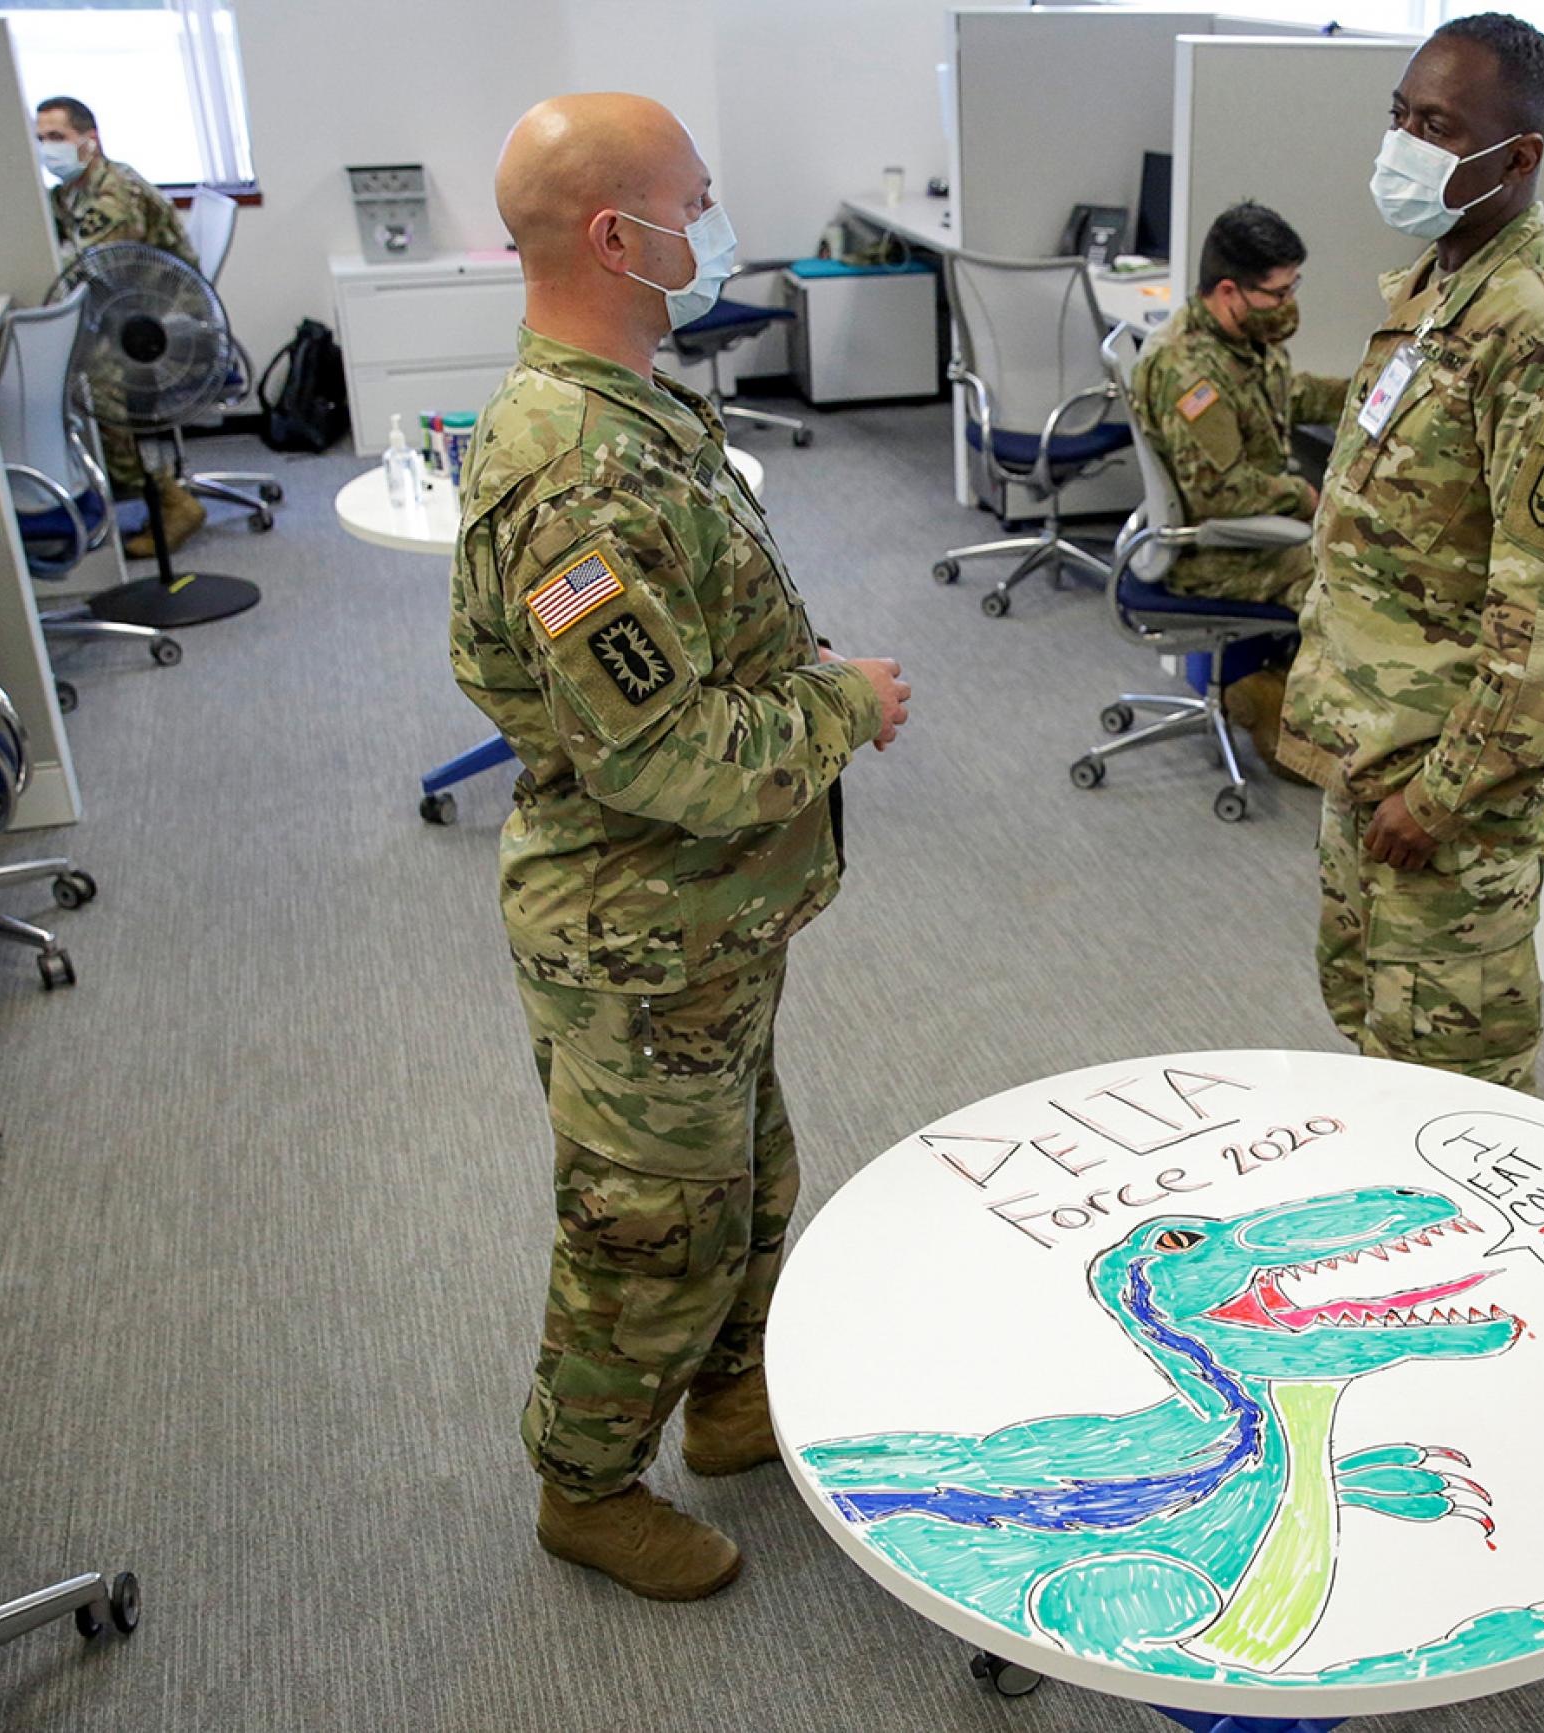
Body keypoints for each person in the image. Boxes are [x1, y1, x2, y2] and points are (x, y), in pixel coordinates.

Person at [450, 92, 911, 1603]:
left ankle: (730, 1401)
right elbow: (662, 751)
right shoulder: (570, 466)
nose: (716, 231)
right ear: (615, 235)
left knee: (747, 1182)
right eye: (698, 204)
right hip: (634, 926)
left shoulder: (629, 403)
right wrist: (842, 706)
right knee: (647, 1229)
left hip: (707, 923)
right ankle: (583, 1486)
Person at [1278, 14, 1544, 1094]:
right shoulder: (1441, 289)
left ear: (1517, 156)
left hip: (1441, 801)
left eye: (1434, 126)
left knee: (1457, 1099)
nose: (1402, 142)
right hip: (1367, 759)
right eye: (1399, 114)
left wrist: (1437, 797)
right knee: (1371, 1044)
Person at [1129, 202, 1349, 769]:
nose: (1289, 304)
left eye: (1293, 285)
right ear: (1229, 291)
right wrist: (1303, 498)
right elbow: (1217, 494)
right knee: (1348, 574)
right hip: (1208, 552)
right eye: (1278, 292)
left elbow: (1280, 398)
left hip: (1239, 532)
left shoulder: (1242, 340)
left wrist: (1362, 393)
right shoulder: (1189, 371)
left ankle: (1263, 690)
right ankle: (1295, 731)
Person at [33, 96, 206, 556]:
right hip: (127, 312)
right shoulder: (69, 195)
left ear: (90, 142)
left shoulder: (113, 195)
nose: (48, 149)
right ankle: (128, 488)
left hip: (164, 323)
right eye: (41, 139)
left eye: (57, 138)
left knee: (91, 382)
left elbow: (90, 270)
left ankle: (169, 501)